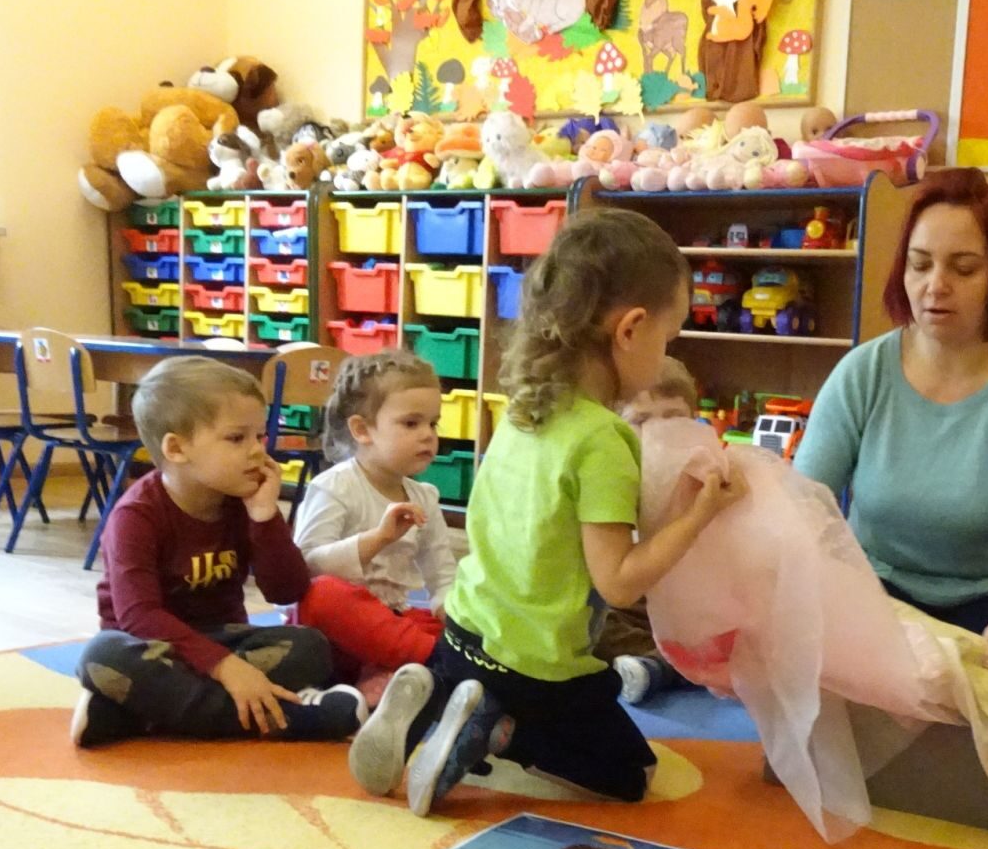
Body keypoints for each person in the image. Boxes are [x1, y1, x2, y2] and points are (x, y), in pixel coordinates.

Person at [348, 209, 745, 813]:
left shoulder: (523, 411)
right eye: (671, 334)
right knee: (630, 772)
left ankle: (435, 699)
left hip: (462, 634)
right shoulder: (603, 439)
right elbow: (618, 583)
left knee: (481, 676)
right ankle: (500, 730)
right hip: (534, 666)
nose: (668, 349)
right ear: (632, 329)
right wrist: (700, 515)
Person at [793, 167, 988, 690]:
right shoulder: (863, 372)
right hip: (875, 594)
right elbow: (804, 499)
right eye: (920, 264)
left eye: (964, 268)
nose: (935, 286)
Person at [70, 358, 361, 747]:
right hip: (153, 649)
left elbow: (287, 590)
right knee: (100, 655)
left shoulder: (242, 500)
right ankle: (294, 720)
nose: (257, 451)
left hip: (224, 638)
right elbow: (138, 616)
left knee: (311, 647)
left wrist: (265, 515)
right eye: (237, 439)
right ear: (177, 448)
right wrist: (226, 669)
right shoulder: (135, 516)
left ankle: (140, 712)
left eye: (260, 436)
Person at [292, 349, 457, 684]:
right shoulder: (334, 487)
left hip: (391, 622)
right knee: (323, 595)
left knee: (469, 620)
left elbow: (442, 575)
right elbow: (306, 567)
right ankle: (442, 665)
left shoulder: (424, 497)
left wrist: (451, 611)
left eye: (433, 423)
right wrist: (378, 538)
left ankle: (388, 676)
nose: (428, 434)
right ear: (362, 430)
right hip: (335, 632)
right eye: (411, 423)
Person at [595, 355, 697, 704]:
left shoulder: (701, 475)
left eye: (673, 418)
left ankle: (663, 664)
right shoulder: (610, 482)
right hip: (626, 606)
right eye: (640, 421)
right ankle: (664, 664)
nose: (658, 433)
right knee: (590, 624)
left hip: (687, 609)